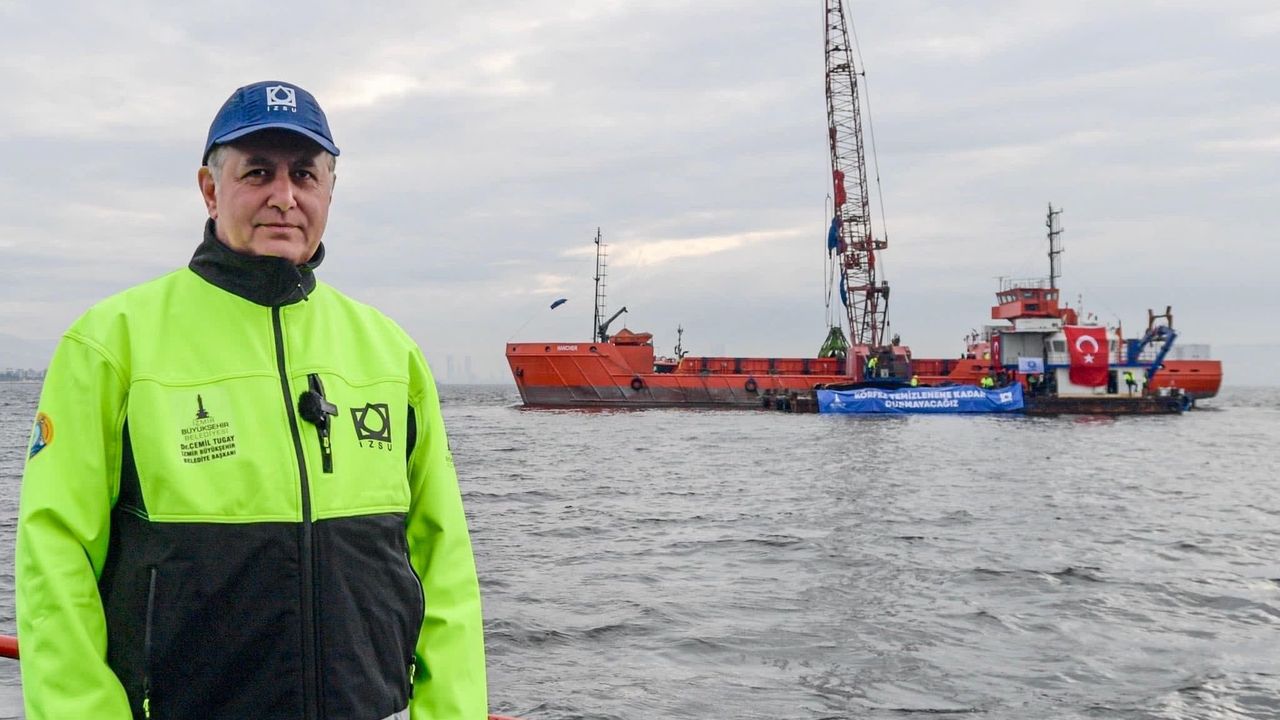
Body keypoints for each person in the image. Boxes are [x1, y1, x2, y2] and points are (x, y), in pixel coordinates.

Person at [16, 81, 487, 719]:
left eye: (305, 174)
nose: (284, 197)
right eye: (258, 172)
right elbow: (54, 562)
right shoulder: (110, 344)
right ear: (211, 190)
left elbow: (443, 563)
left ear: (330, 189)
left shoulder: (391, 354)